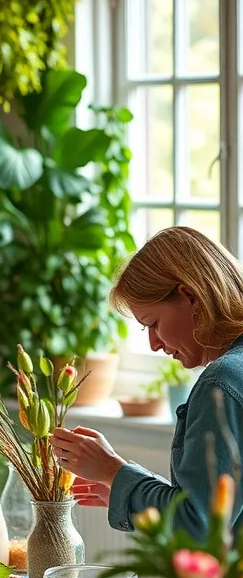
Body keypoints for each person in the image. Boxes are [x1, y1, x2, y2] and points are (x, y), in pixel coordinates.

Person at [50, 226, 243, 541]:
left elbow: (198, 530)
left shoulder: (222, 384)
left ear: (190, 296)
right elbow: (212, 507)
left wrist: (113, 471)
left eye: (153, 324)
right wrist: (123, 484)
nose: (154, 344)